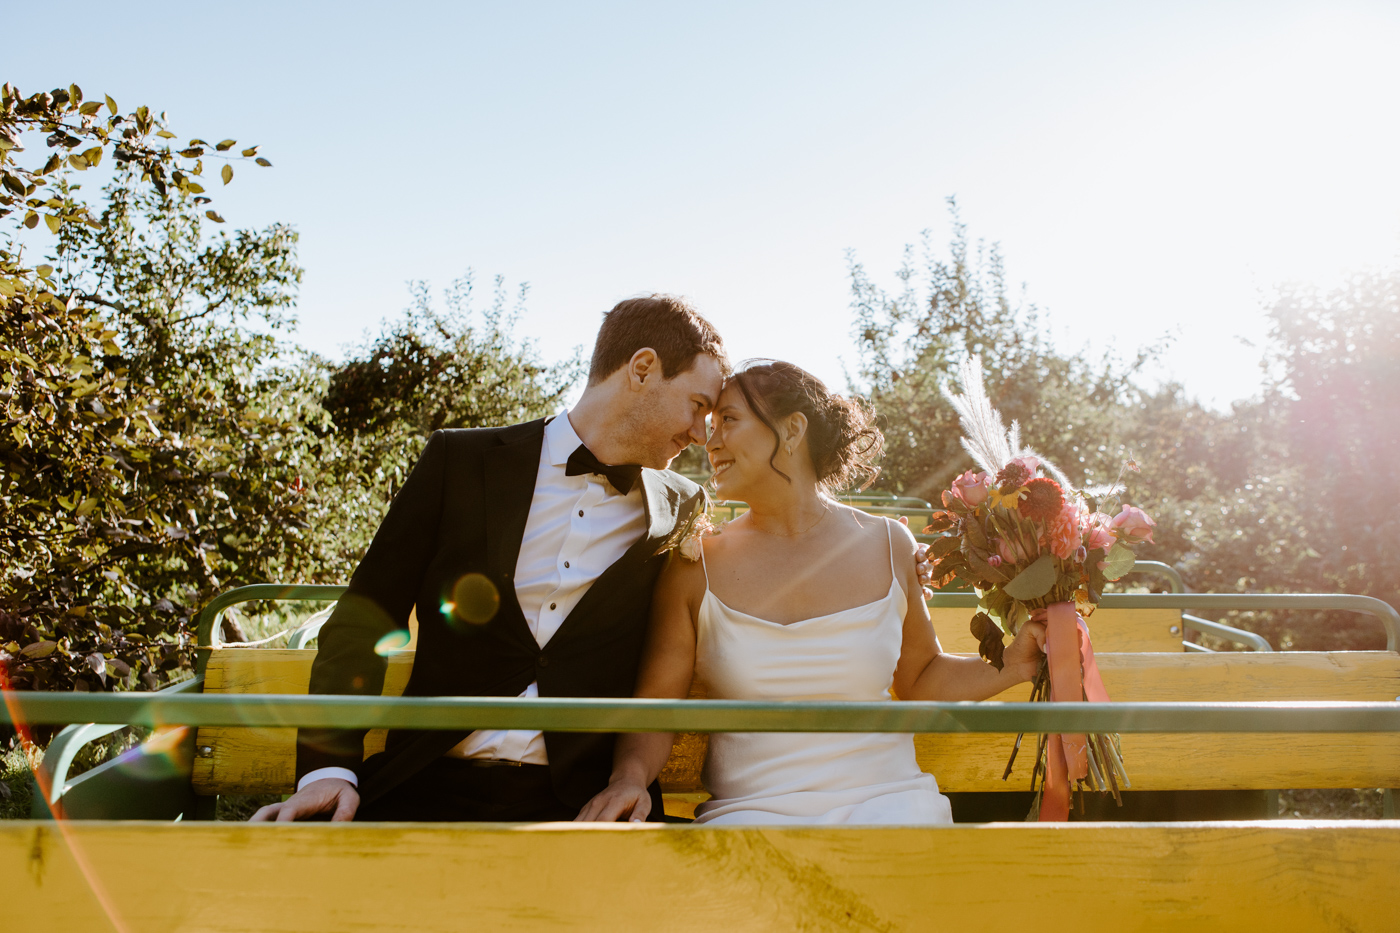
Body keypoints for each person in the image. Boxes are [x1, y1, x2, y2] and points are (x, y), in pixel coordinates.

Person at [253, 294, 728, 822]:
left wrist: (630, 780)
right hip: (425, 785)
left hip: (583, 806)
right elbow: (362, 624)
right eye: (698, 406)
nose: (697, 434)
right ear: (642, 369)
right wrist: (328, 771)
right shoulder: (460, 462)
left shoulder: (681, 506)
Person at [576, 361, 1047, 825]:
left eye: (728, 421)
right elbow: (658, 702)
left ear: (793, 429)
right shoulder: (694, 565)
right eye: (710, 423)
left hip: (892, 806)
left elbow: (921, 676)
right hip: (749, 818)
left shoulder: (890, 544)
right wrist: (630, 778)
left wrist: (1014, 663)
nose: (709, 440)